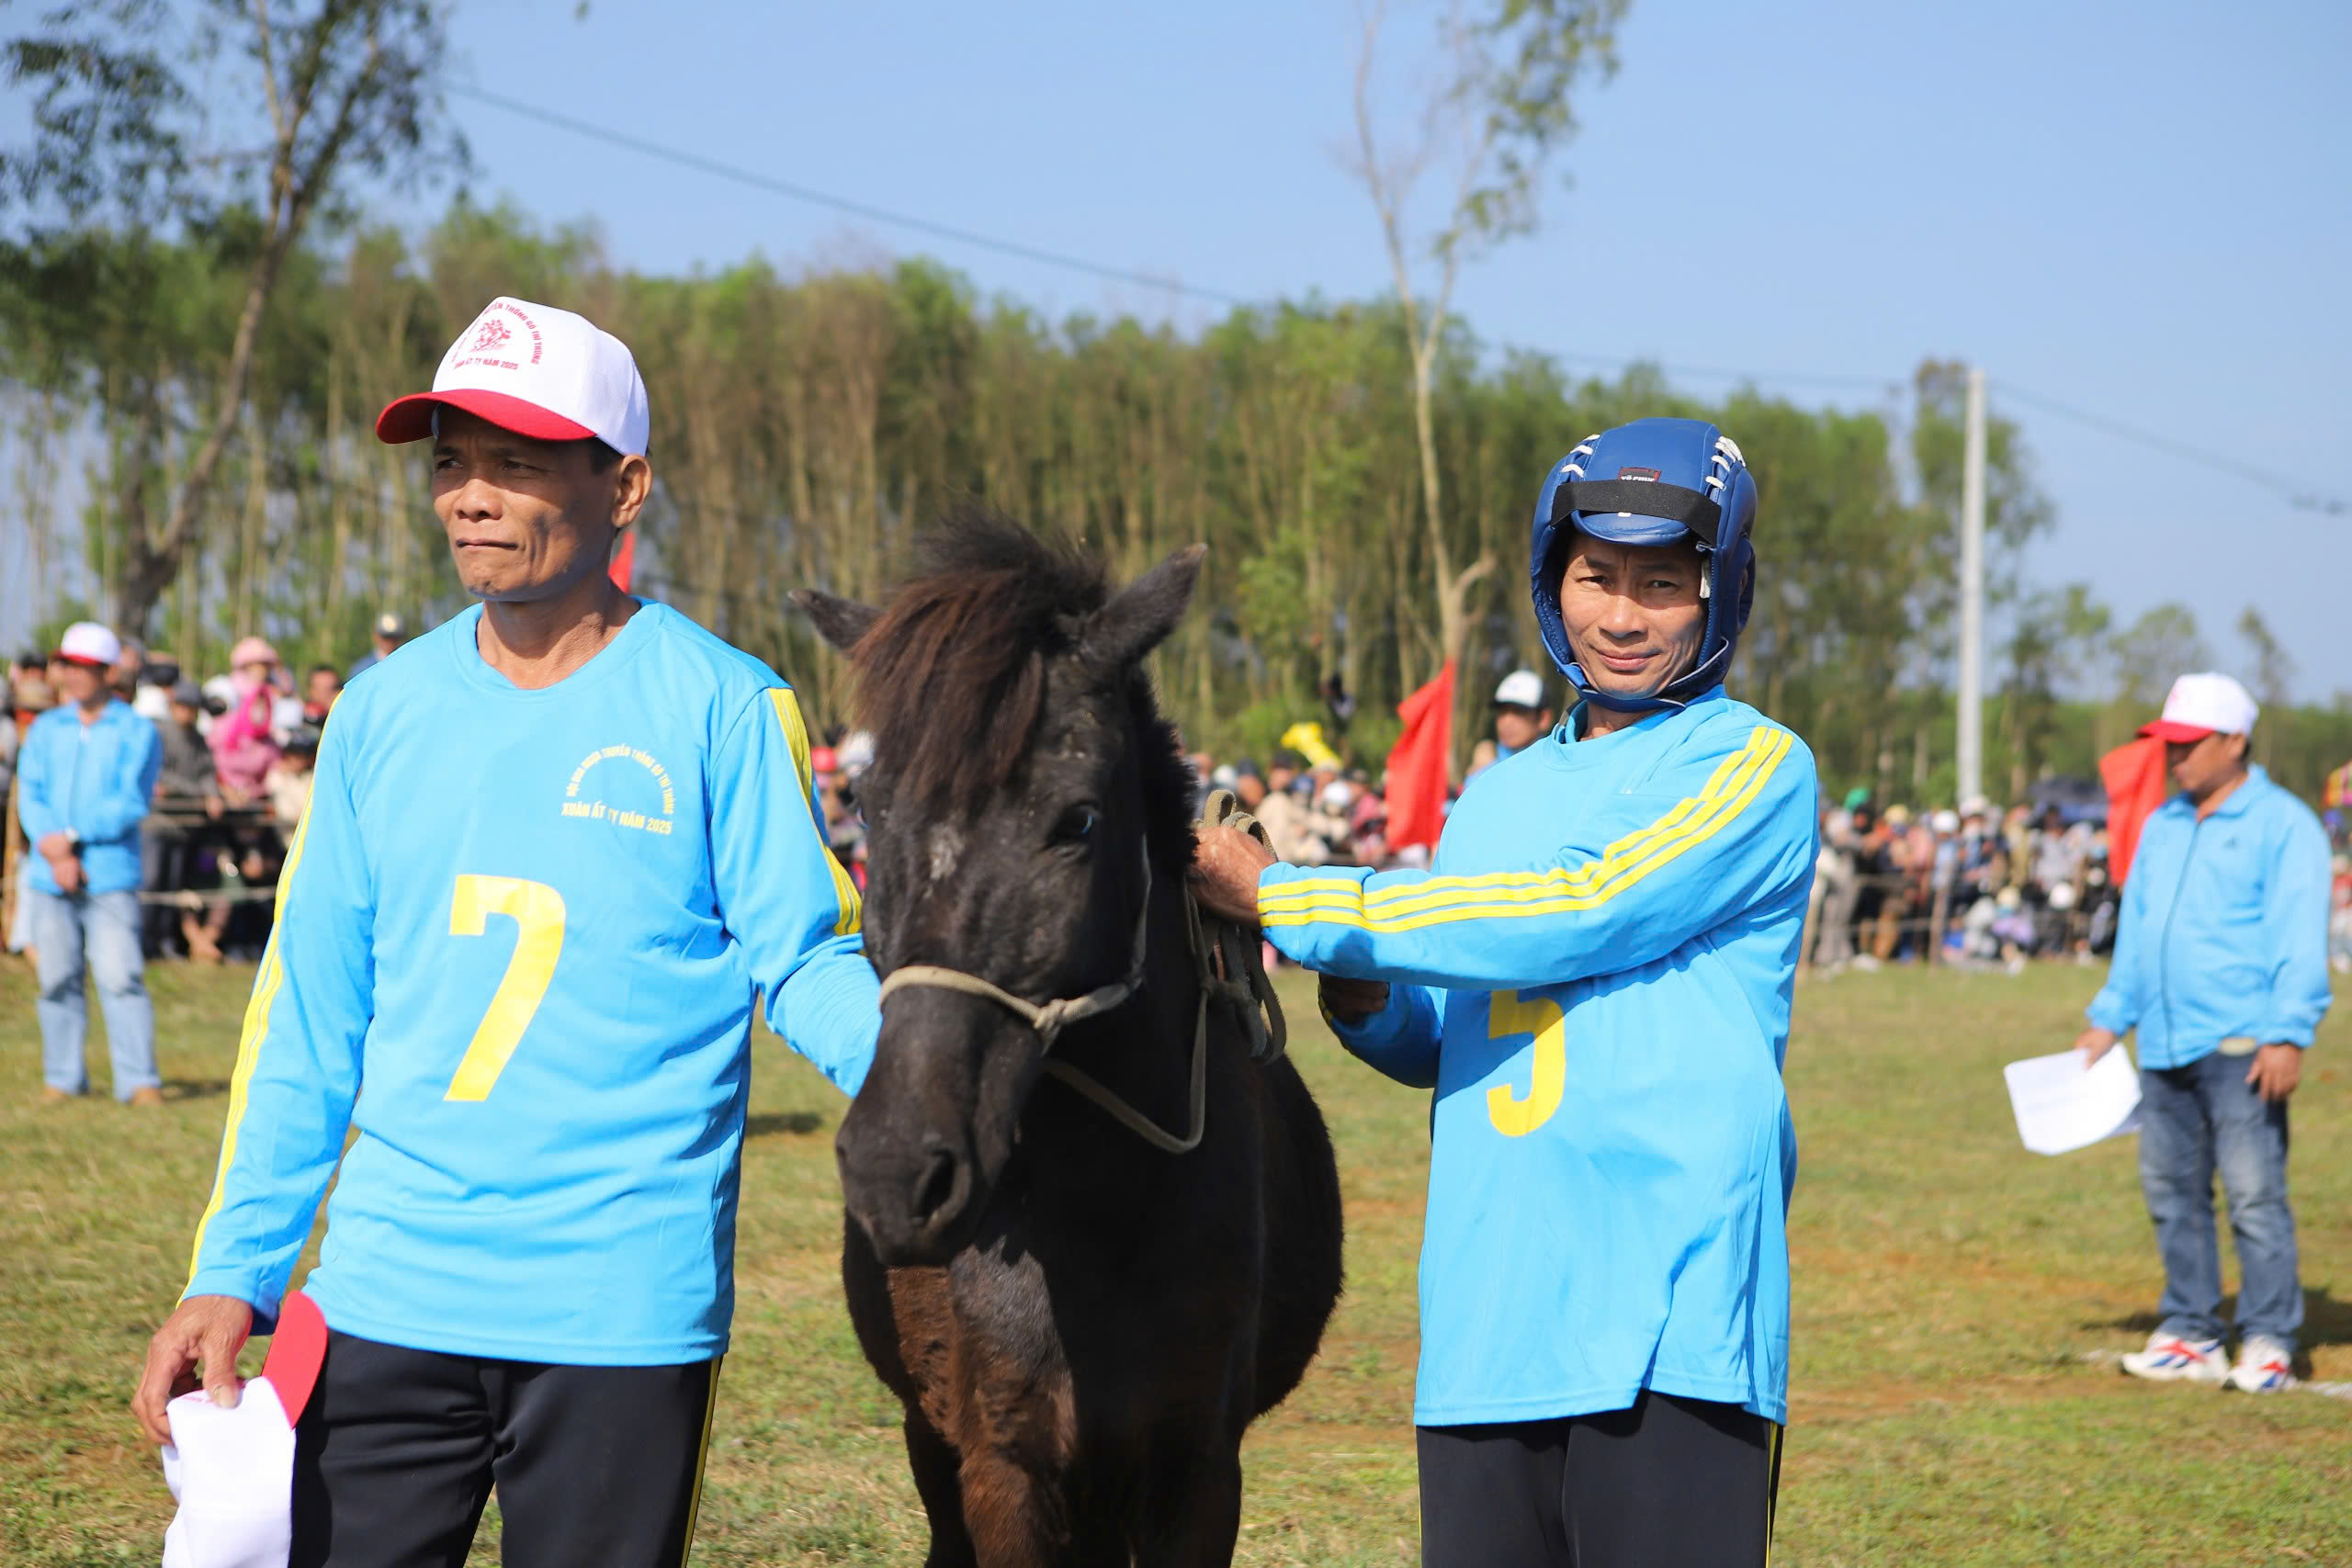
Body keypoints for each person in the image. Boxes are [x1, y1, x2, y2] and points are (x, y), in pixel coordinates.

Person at [131, 296, 882, 1568]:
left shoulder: (724, 702)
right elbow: (311, 1010)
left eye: (517, 462)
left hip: (621, 1312)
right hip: (385, 1295)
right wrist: (239, 1264)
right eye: (450, 463)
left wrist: (964, 1086)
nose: (470, 496)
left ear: (625, 487)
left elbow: (804, 957)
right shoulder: (378, 714)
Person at [1196, 417, 1815, 1568]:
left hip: (1664, 1320)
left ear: (1719, 591)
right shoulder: (1493, 797)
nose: (1622, 616)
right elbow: (1466, 1028)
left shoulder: (1755, 765)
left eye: (1662, 583)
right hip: (1490, 1318)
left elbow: (1580, 910)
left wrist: (1293, 898)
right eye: (1595, 577)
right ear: (1552, 578)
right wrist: (1366, 995)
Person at [2075, 672, 2331, 1393]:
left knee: (2254, 1194)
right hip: (2161, 1040)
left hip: (2243, 1045)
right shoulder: (2162, 823)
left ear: (2235, 741)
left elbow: (2297, 938)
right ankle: (2192, 1329)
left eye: (2188, 744)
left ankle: (2270, 1336)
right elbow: (2139, 934)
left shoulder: (2285, 825)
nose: (2174, 757)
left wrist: (2288, 1033)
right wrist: (2107, 1019)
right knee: (2172, 1192)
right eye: (2168, 743)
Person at [16, 621, 165, 1105]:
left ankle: (139, 1080)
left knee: (121, 978)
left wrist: (73, 840)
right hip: (48, 874)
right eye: (69, 665)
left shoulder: (137, 730)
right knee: (55, 978)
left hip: (108, 874)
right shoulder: (45, 728)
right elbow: (31, 795)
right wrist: (52, 845)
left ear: (107, 672)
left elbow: (129, 801)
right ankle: (61, 1078)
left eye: (85, 667)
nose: (74, 676)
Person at [209, 637, 284, 802]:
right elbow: (213, 759)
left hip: (254, 794)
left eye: (265, 665)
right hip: (224, 792)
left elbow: (273, 765)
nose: (262, 670)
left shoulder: (270, 698)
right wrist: (225, 787)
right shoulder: (225, 695)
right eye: (257, 664)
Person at [1468, 668, 1556, 776]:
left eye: (1519, 711)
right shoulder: (1482, 766)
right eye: (1502, 711)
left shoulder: (1558, 768)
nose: (1507, 721)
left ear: (1544, 719)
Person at [345, 612, 408, 682]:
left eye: (395, 637)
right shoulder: (361, 670)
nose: (390, 642)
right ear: (376, 636)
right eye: (386, 637)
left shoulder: (407, 666)